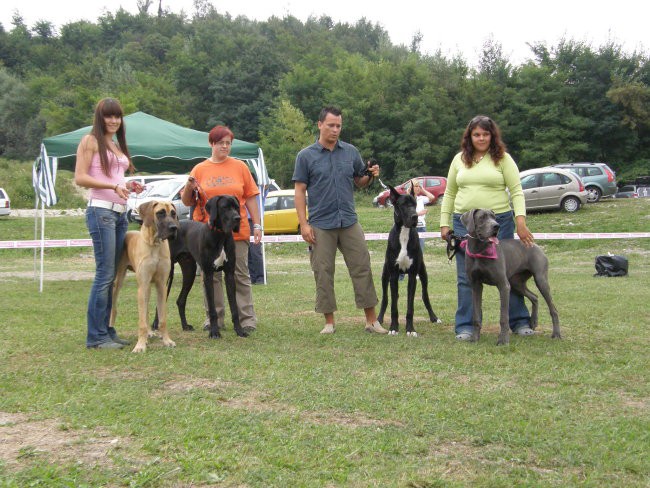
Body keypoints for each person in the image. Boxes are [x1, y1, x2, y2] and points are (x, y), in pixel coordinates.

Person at [292, 106, 388, 335]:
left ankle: (371, 321)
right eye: (331, 125)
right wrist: (303, 224)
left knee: (362, 267)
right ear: (319, 125)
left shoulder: (350, 152)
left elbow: (360, 181)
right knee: (323, 272)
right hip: (320, 223)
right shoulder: (305, 156)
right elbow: (299, 191)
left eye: (339, 126)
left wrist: (370, 174)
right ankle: (329, 322)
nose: (335, 130)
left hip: (349, 221)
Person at [439, 115, 535, 341]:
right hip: (465, 224)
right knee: (466, 277)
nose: (481, 138)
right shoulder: (458, 160)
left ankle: (519, 321)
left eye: (485, 134)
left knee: (509, 274)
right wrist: (444, 223)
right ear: (469, 137)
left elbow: (517, 190)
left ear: (492, 136)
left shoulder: (503, 159)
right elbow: (450, 193)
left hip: (498, 222)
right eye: (476, 134)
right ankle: (466, 326)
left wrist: (520, 221)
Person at [74, 97, 145, 349]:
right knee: (104, 275)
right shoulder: (90, 141)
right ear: (100, 118)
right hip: (101, 212)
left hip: (119, 213)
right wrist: (113, 185)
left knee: (113, 275)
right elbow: (81, 178)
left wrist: (127, 185)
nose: (114, 120)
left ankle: (106, 330)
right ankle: (96, 336)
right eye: (109, 116)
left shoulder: (114, 144)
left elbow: (115, 178)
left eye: (117, 116)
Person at [181, 125, 262, 334]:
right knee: (211, 277)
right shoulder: (199, 169)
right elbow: (187, 201)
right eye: (221, 143)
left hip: (237, 230)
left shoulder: (240, 167)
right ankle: (214, 319)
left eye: (228, 143)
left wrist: (257, 225)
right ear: (212, 144)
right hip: (208, 233)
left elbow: (251, 196)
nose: (225, 147)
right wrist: (189, 186)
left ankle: (246, 320)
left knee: (240, 274)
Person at [399, 178, 435, 280]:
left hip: (421, 228)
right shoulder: (407, 199)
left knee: (419, 251)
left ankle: (417, 272)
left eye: (419, 186)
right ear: (411, 187)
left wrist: (423, 190)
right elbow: (406, 213)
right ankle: (401, 274)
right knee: (406, 251)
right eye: (416, 186)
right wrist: (419, 213)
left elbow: (432, 197)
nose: (418, 188)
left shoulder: (420, 199)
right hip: (409, 228)